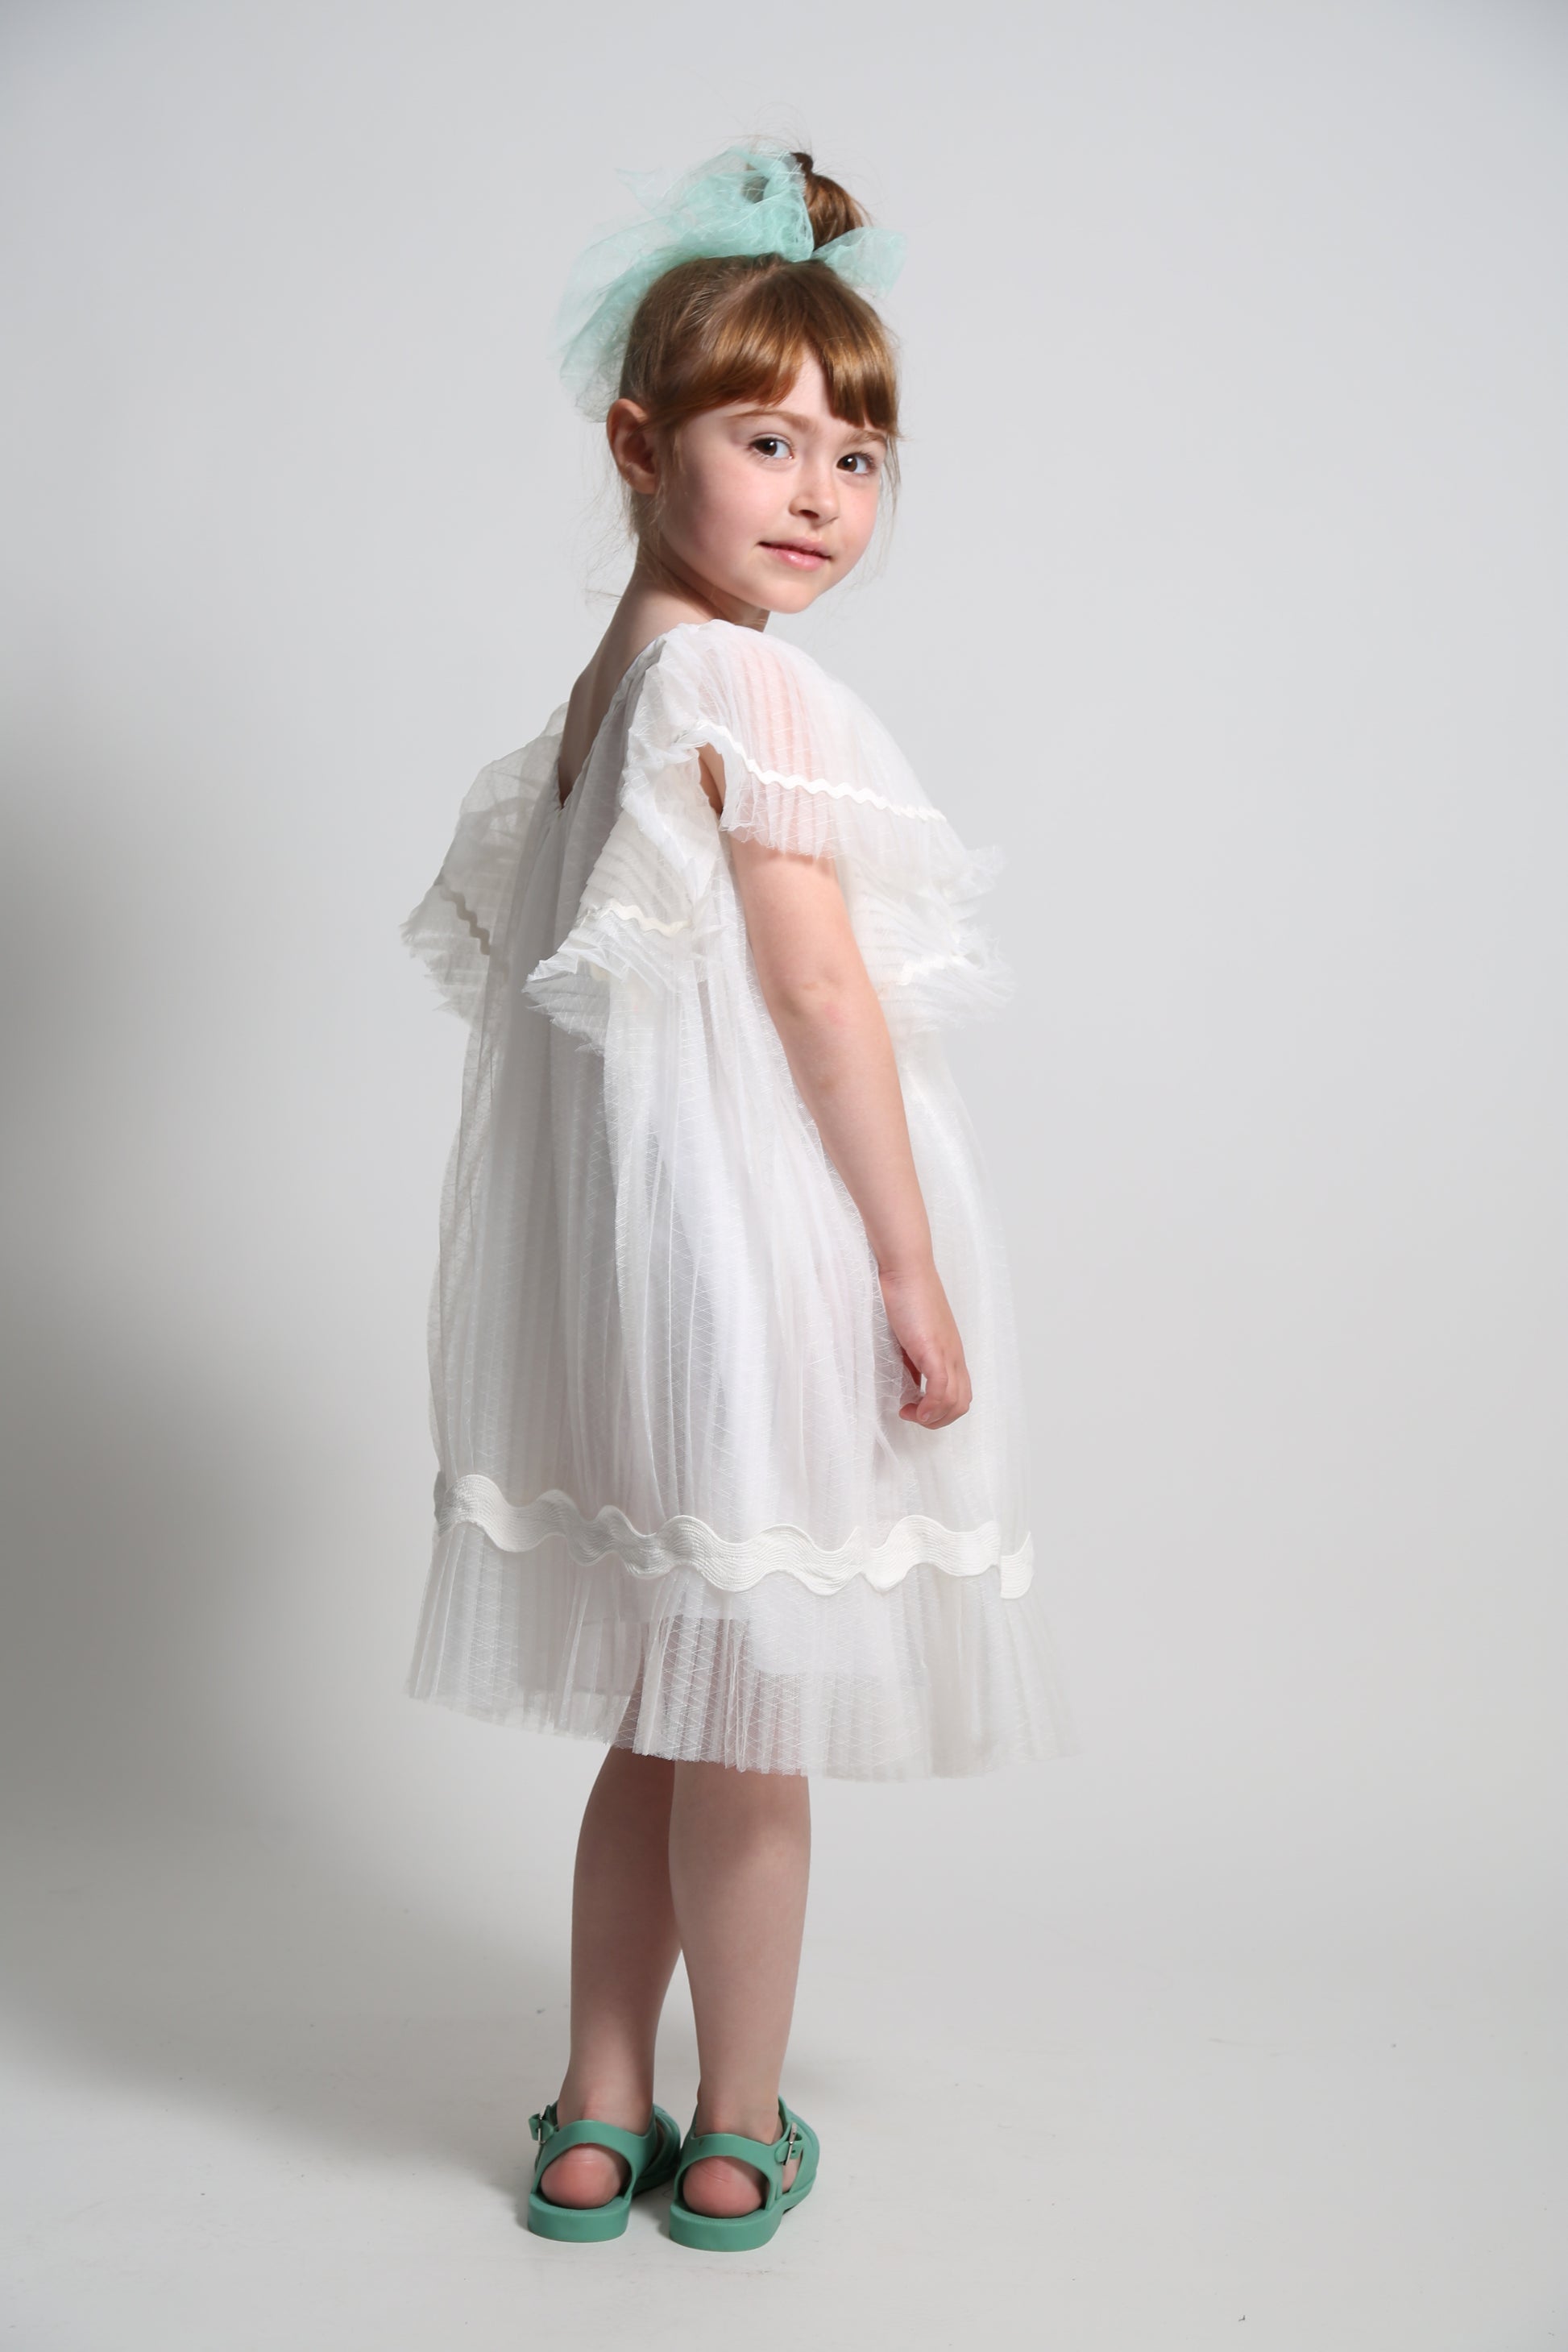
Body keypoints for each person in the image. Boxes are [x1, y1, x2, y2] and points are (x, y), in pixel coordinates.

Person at [400, 135, 1081, 2254]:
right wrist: (907, 1263)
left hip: (633, 1282)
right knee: (753, 1723)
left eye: (858, 458)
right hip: (755, 1263)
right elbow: (814, 991)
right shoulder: (748, 684)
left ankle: (591, 2115)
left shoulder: (606, 694)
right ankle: (735, 2125)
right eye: (765, 442)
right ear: (640, 446)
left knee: (658, 1708)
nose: (819, 497)